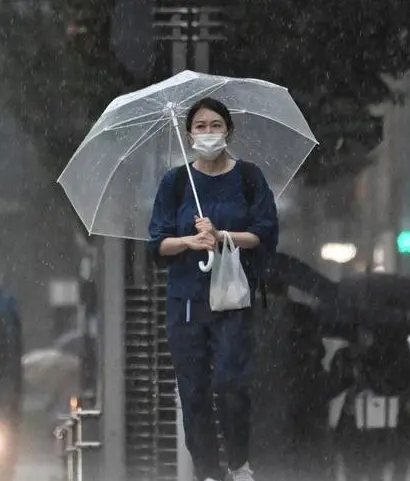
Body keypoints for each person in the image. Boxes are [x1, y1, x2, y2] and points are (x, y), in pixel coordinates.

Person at [148, 97, 279, 481]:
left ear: (229, 131)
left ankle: (239, 462)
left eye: (215, 124)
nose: (208, 132)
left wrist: (223, 236)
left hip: (232, 297)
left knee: (230, 382)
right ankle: (207, 470)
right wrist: (189, 241)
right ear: (189, 135)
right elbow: (157, 243)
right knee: (193, 391)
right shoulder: (174, 182)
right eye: (201, 126)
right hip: (186, 300)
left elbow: (263, 233)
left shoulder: (249, 178)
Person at [327, 323, 410, 481]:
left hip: (379, 417)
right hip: (354, 419)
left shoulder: (390, 352)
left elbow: (400, 384)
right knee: (356, 466)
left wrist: (372, 380)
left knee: (378, 464)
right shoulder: (344, 356)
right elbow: (333, 386)